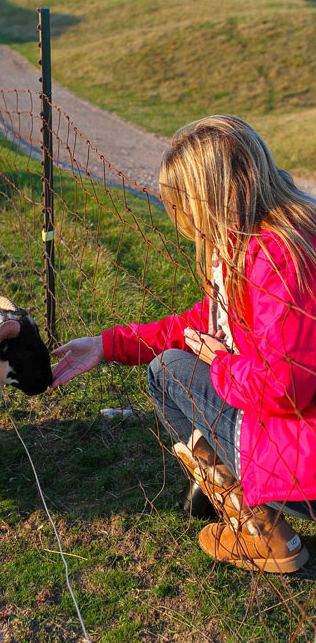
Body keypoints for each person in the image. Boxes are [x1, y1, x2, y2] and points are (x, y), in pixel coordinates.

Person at [51, 114, 316, 574]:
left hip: (306, 471)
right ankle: (222, 485)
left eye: (185, 206)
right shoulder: (280, 230)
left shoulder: (274, 256)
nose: (186, 223)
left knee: (168, 372)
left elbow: (287, 387)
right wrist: (109, 344)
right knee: (168, 363)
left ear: (214, 194)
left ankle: (264, 531)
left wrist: (222, 365)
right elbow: (208, 323)